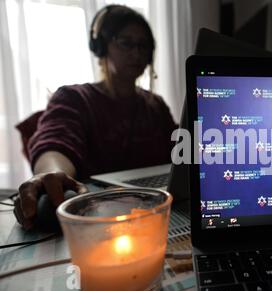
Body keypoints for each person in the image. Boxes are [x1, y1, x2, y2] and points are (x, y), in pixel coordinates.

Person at [14, 5, 177, 229]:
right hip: (98, 222)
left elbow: (180, 151)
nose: (137, 53)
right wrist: (52, 173)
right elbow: (56, 141)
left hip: (156, 213)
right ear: (101, 47)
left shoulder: (155, 106)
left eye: (143, 46)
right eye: (126, 43)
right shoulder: (74, 98)